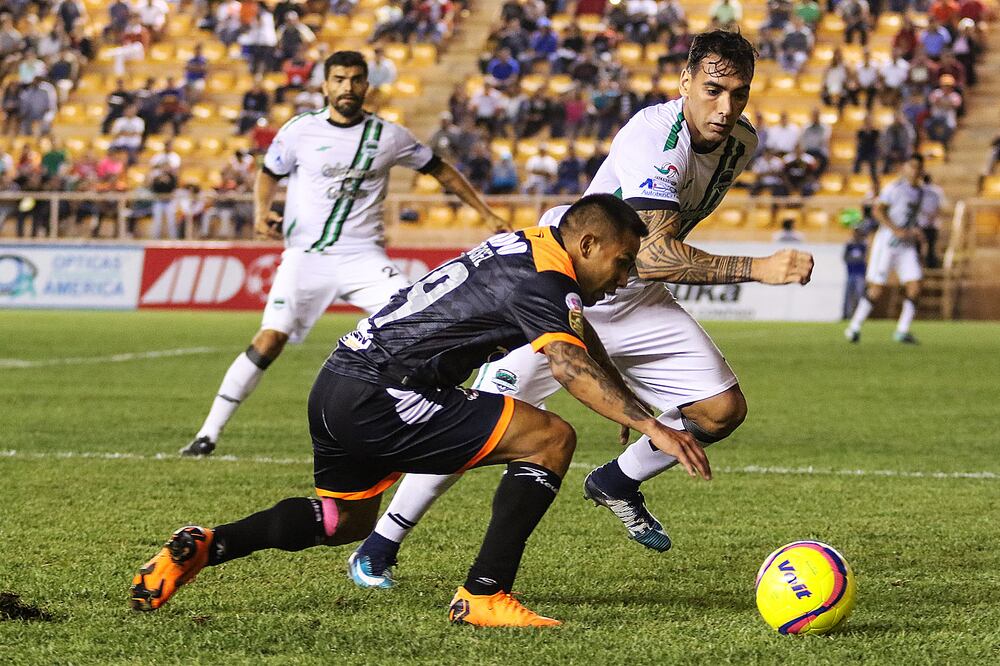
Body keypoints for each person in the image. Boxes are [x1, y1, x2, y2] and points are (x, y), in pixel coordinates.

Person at [348, 31, 814, 588]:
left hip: (631, 291)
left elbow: (647, 259)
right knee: (487, 424)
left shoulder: (741, 142)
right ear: (686, 81)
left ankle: (617, 481)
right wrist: (755, 269)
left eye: (739, 94)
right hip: (564, 287)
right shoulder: (654, 133)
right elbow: (656, 252)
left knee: (720, 411)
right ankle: (381, 543)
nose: (726, 107)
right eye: (713, 90)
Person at [130, 195, 713, 627]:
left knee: (343, 523)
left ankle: (209, 545)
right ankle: (484, 593)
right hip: (386, 391)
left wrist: (628, 403)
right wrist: (650, 425)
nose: (626, 275)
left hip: (336, 383)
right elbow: (565, 363)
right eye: (622, 260)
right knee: (551, 439)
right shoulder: (543, 278)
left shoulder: (527, 246)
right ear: (586, 246)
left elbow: (580, 340)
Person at [181, 51, 507, 457]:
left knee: (425, 327)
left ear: (367, 85)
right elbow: (269, 173)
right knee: (269, 340)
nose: (347, 87)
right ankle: (208, 434)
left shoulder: (389, 136)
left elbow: (439, 168)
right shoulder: (300, 131)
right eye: (339, 79)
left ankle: (431, 423)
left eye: (355, 79)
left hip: (363, 258)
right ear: (325, 85)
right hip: (307, 256)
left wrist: (485, 213)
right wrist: (263, 211)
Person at [845, 155, 932, 344]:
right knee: (877, 288)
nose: (915, 170)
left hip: (906, 245)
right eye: (912, 166)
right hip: (887, 243)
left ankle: (902, 330)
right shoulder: (894, 188)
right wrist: (895, 230)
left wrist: (915, 231)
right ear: (904, 168)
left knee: (915, 285)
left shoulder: (921, 191)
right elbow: (878, 211)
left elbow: (912, 216)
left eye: (918, 167)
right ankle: (854, 327)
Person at [843, 225, 869, 319]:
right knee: (848, 296)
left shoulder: (863, 245)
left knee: (860, 296)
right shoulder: (850, 245)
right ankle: (847, 315)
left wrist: (854, 259)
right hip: (850, 273)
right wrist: (856, 259)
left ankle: (860, 316)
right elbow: (845, 258)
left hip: (860, 274)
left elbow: (865, 259)